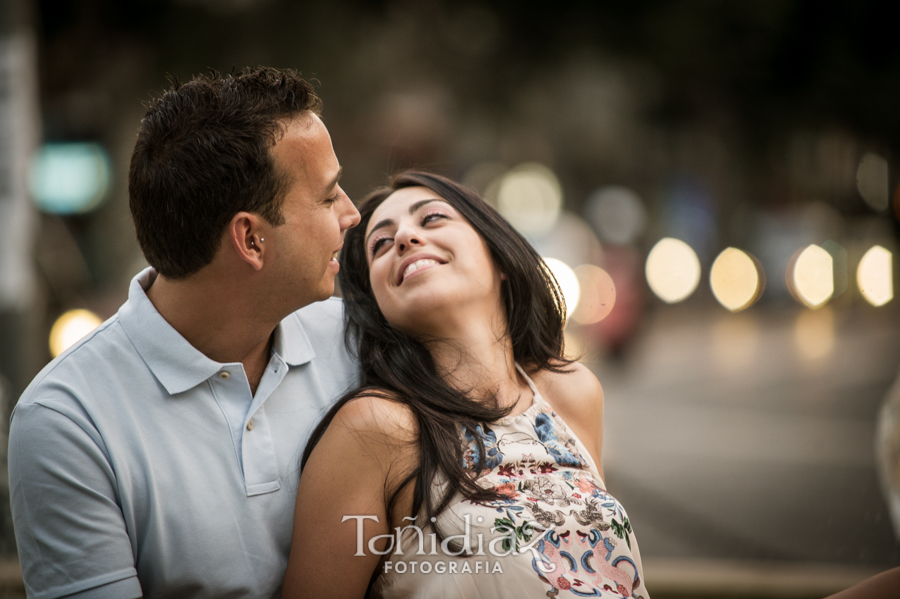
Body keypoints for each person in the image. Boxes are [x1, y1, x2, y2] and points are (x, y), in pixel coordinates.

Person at [8, 67, 360, 598]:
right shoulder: (68, 422)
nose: (352, 214)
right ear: (251, 239)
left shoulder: (360, 343)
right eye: (328, 196)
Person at [282, 171, 650, 598]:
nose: (403, 238)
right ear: (377, 304)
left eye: (432, 218)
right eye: (380, 245)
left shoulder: (571, 391)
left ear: (499, 256)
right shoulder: (375, 428)